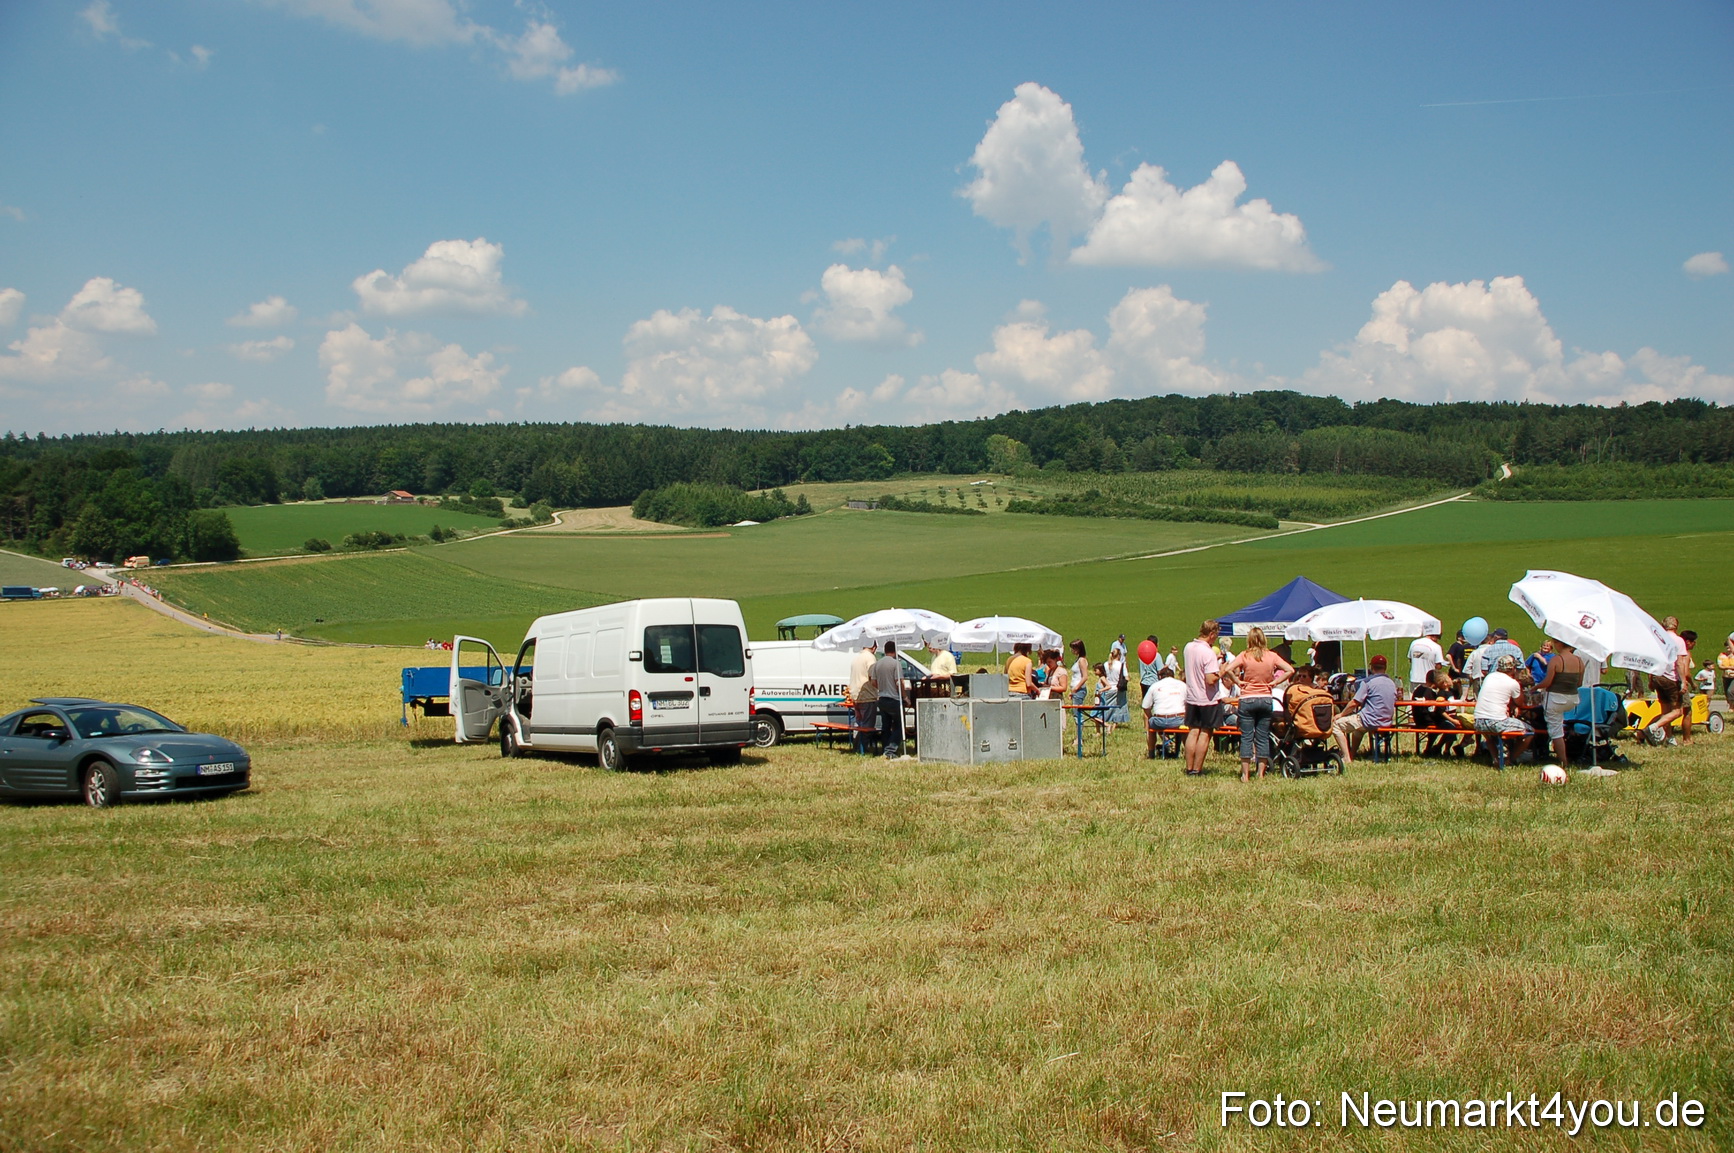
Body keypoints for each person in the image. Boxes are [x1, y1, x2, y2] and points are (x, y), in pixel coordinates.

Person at [1224, 626, 1293, 781]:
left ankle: (1245, 774)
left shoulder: (1244, 655)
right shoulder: (1272, 656)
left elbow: (1228, 668)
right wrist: (1275, 682)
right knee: (1262, 736)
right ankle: (1260, 773)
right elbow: (1289, 670)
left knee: (1247, 737)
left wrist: (1238, 681)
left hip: (1247, 697)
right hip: (1265, 697)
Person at [1330, 653, 1397, 764]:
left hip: (1369, 720)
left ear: (1371, 667)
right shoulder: (1392, 683)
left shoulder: (1368, 682)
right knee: (1358, 731)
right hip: (1386, 721)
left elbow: (1354, 703)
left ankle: (1346, 757)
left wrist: (1341, 715)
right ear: (1385, 667)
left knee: (1336, 725)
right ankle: (1352, 753)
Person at [1535, 638, 1586, 767]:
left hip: (1556, 698)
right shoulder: (1579, 661)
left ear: (1558, 644)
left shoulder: (1556, 660)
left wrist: (1534, 688)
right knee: (1562, 724)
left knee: (1556, 731)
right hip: (1573, 699)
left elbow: (1547, 682)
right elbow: (1579, 683)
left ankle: (1563, 762)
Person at [1474, 653, 1534, 764]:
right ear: (1512, 669)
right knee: (1530, 731)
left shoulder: (1489, 677)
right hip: (1496, 721)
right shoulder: (1512, 683)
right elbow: (1520, 702)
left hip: (1478, 721)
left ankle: (1496, 759)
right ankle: (1509, 760)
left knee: (1489, 736)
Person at [1181, 620, 1224, 776]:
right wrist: (1222, 671)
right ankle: (1197, 768)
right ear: (1211, 634)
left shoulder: (1188, 647)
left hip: (1192, 697)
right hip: (1207, 699)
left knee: (1193, 732)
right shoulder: (1208, 652)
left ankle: (1189, 767)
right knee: (1205, 733)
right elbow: (1210, 679)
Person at [1648, 617, 1691, 746]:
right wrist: (1683, 680)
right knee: (1677, 710)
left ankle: (1669, 737)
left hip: (1658, 676)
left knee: (1665, 710)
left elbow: (1653, 660)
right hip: (1671, 677)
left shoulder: (1658, 639)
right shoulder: (1678, 640)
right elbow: (1680, 663)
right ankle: (1653, 727)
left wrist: (1650, 678)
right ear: (1676, 626)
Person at [1142, 667, 1186, 759]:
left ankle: (1151, 752)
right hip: (1179, 720)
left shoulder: (1154, 686)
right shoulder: (1182, 685)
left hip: (1159, 720)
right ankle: (1188, 751)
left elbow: (1146, 707)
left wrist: (1150, 718)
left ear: (1160, 677)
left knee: (1149, 721)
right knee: (1187, 725)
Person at [874, 640, 906, 758]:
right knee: (899, 726)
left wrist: (882, 687)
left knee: (885, 726)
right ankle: (890, 751)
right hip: (894, 699)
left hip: (882, 698)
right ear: (895, 650)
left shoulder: (877, 663)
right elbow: (899, 682)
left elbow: (873, 681)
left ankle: (885, 749)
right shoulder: (895, 663)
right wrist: (905, 696)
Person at [849, 640, 880, 754]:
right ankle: (862, 748)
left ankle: (857, 747)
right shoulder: (870, 658)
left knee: (859, 723)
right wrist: (878, 687)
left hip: (856, 694)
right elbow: (872, 676)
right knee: (867, 725)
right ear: (874, 647)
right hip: (868, 695)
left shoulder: (856, 658)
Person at [1102, 646, 1129, 732]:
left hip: (1108, 688)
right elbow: (1127, 677)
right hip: (1118, 689)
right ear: (1119, 655)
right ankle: (1113, 725)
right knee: (1118, 708)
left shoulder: (1106, 664)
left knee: (1107, 707)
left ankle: (1105, 723)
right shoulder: (1121, 665)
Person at [1718, 633, 1734, 707]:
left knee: (1730, 691)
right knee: (1726, 693)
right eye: (1727, 648)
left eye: (1729, 647)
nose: (1728, 649)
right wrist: (1730, 667)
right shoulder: (1722, 656)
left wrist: (1726, 667)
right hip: (1726, 676)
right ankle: (1730, 705)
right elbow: (1720, 666)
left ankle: (1732, 707)